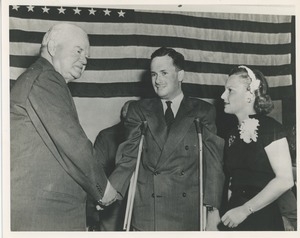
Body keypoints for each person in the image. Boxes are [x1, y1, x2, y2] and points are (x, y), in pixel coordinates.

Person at [10, 23, 117, 231]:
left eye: (87, 56)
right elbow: (73, 144)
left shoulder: (39, 77)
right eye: (78, 50)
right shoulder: (46, 78)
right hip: (44, 214)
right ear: (52, 47)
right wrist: (103, 189)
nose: (84, 59)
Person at [105, 47, 225, 231]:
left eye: (163, 73)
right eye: (153, 74)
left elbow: (213, 164)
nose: (158, 80)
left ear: (180, 75)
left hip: (187, 213)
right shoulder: (138, 109)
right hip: (147, 211)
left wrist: (213, 210)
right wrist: (110, 191)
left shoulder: (203, 111)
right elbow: (128, 158)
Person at [219, 65, 294, 231]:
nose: (223, 95)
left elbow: (285, 179)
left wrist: (245, 210)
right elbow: (232, 181)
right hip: (234, 216)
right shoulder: (231, 134)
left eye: (230, 90)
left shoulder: (271, 129)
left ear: (249, 95)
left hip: (261, 215)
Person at [87, 100, 134, 231]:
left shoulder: (106, 135)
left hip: (118, 200)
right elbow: (97, 170)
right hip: (114, 201)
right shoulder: (107, 136)